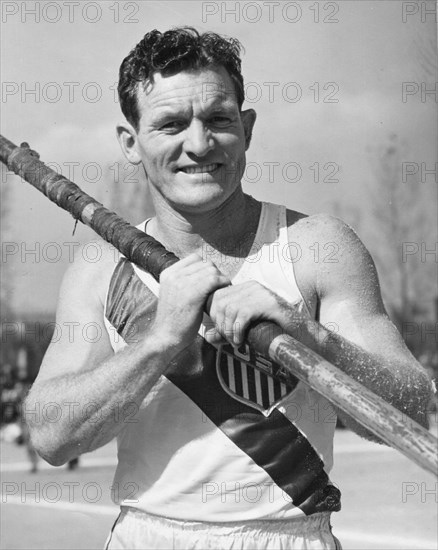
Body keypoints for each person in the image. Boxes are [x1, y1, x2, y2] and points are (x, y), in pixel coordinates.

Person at [25, 27, 433, 549]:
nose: (198, 144)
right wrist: (159, 341)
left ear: (246, 126)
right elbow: (52, 438)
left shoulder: (315, 246)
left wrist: (314, 339)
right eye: (171, 124)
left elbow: (413, 409)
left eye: (217, 120)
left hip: (289, 537)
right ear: (131, 143)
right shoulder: (100, 267)